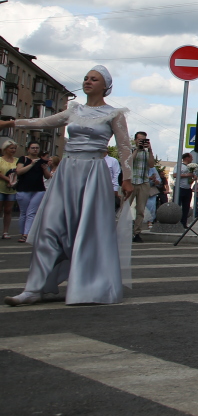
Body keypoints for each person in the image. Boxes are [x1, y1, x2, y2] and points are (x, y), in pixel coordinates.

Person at [2, 66, 134, 306]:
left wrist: (126, 178)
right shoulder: (74, 110)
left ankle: (87, 287)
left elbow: (125, 147)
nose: (88, 81)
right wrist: (10, 123)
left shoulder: (114, 114)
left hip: (93, 173)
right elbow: (43, 121)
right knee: (49, 228)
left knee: (88, 231)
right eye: (86, 78)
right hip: (66, 173)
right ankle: (34, 289)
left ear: (105, 85)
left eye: (94, 79)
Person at [12, 141, 51, 243]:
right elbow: (19, 171)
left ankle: (26, 234)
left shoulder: (42, 161)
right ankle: (23, 232)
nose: (35, 150)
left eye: (37, 148)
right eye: (33, 148)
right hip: (23, 189)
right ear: (28, 149)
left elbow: (47, 177)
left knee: (31, 212)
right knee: (24, 213)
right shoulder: (23, 159)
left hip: (38, 189)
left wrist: (45, 169)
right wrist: (32, 164)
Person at [127, 131, 156, 242]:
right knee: (126, 208)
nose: (142, 142)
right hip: (132, 181)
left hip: (143, 182)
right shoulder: (131, 149)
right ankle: (124, 230)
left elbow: (151, 164)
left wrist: (150, 150)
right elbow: (129, 161)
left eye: (144, 140)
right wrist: (137, 149)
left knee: (140, 209)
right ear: (135, 140)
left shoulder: (147, 152)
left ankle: (137, 232)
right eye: (140, 140)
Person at [0, 139, 18, 239]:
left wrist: (13, 182)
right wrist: (8, 180)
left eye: (14, 148)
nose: (13, 150)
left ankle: (5, 232)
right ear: (5, 149)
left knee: (8, 210)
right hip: (1, 187)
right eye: (11, 148)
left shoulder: (16, 161)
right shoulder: (0, 160)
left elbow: (18, 172)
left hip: (11, 189)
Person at [176, 152, 197, 226]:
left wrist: (194, 177)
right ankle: (176, 221)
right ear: (187, 158)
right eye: (191, 157)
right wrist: (186, 175)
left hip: (188, 188)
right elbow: (175, 175)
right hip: (180, 188)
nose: (192, 159)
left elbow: (193, 175)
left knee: (186, 207)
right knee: (177, 205)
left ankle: (183, 222)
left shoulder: (191, 167)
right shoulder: (179, 166)